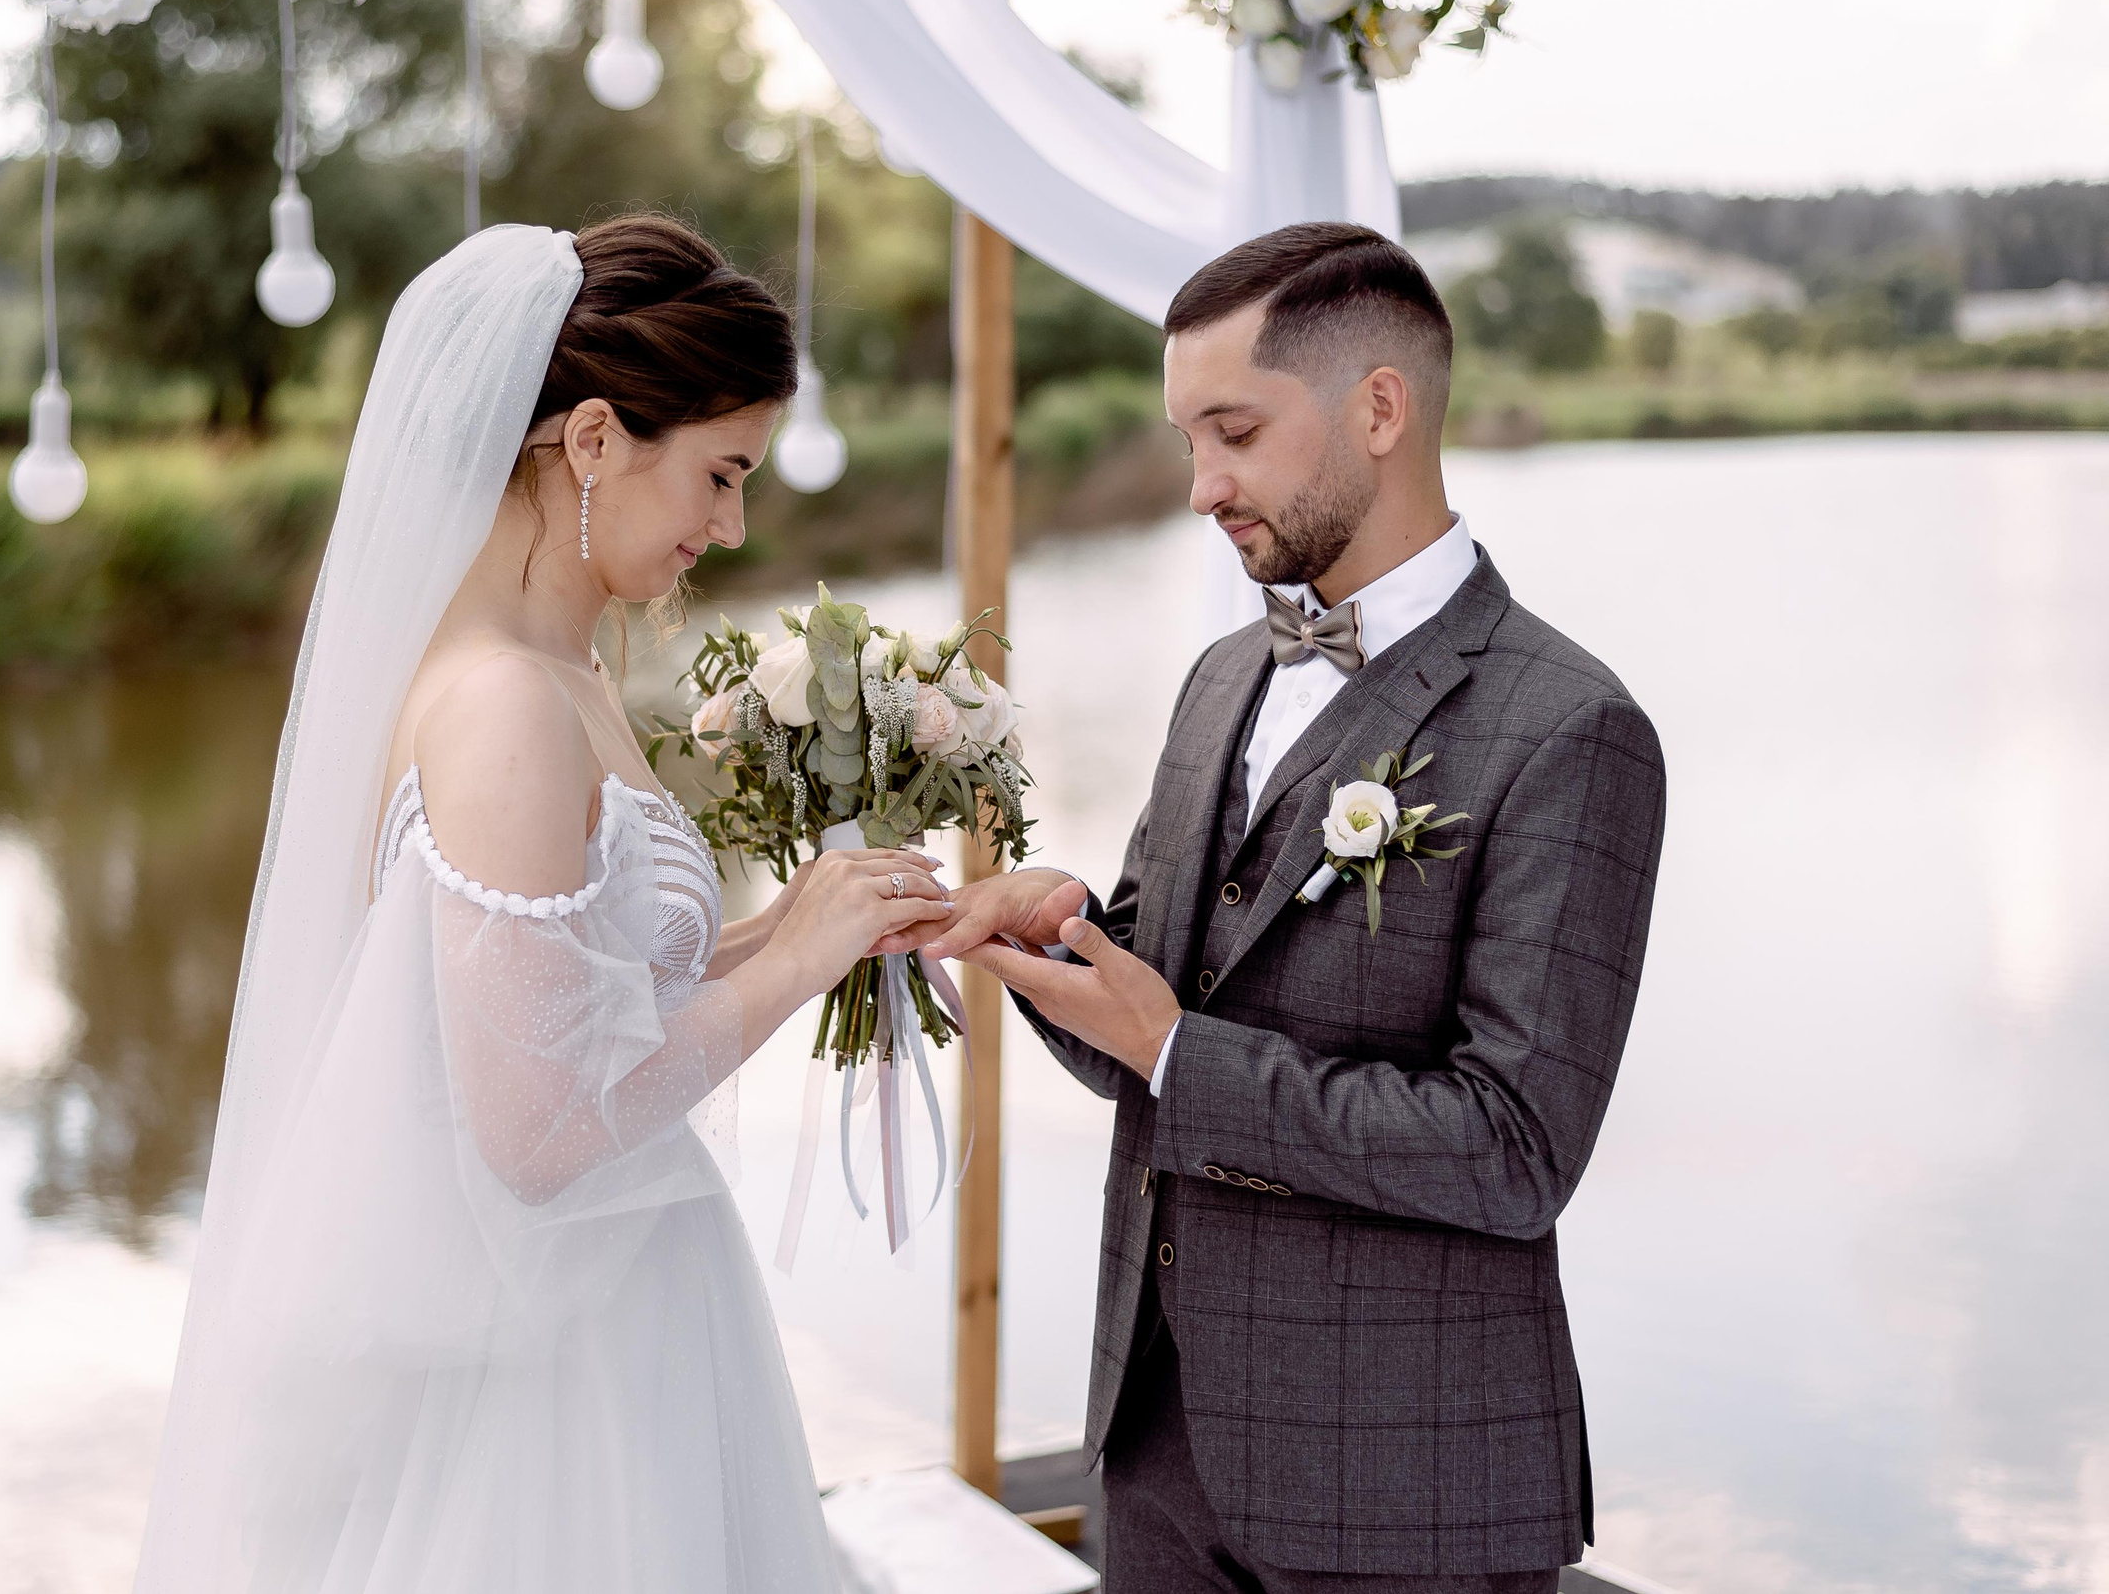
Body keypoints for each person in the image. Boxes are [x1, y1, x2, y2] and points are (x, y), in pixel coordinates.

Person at [132, 215, 953, 1593]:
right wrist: (791, 960)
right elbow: (537, 1123)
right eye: (719, 473)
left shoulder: (549, 666)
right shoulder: (505, 704)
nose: (731, 523)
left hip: (625, 1307)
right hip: (554, 1375)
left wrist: (818, 917)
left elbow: (587, 993)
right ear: (588, 442)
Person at [918, 222, 1669, 1593]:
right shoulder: (1220, 679)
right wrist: (1061, 935)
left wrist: (1176, 1050)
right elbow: (1152, 1026)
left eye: (1234, 431)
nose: (1200, 484)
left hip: (1408, 1490)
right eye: (1188, 436)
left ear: (1378, 408)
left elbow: (1512, 1150)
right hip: (1156, 1457)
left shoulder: (1571, 727)